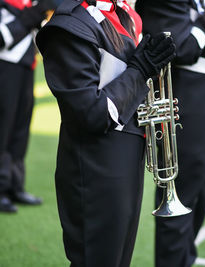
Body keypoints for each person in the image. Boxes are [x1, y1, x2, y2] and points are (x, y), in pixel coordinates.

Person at [35, 0, 175, 265]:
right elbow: (91, 113)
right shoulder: (68, 27)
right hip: (95, 164)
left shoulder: (124, 15)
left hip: (126, 153)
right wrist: (140, 69)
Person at [135, 0, 205, 266]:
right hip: (185, 105)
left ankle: (184, 259)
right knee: (180, 198)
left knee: (202, 188)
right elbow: (180, 46)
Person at [0, 0, 57, 212]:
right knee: (3, 129)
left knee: (20, 130)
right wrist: (32, 14)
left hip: (25, 67)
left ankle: (15, 185)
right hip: (4, 67)